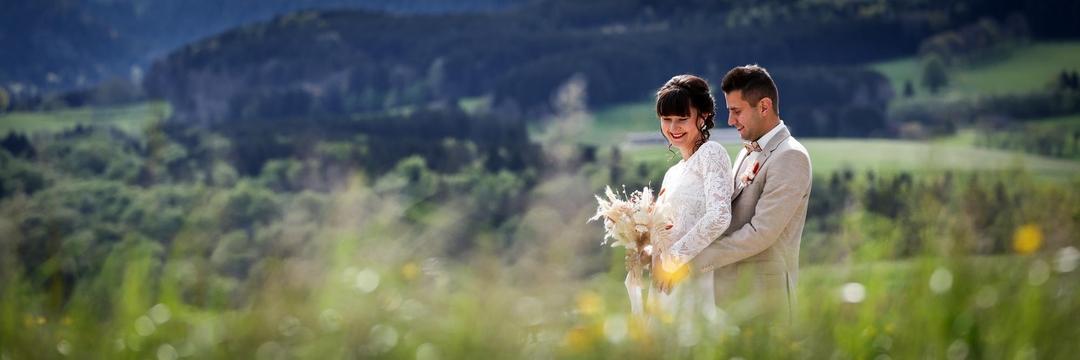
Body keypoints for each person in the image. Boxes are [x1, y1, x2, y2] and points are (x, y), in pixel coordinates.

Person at [681, 64, 812, 323]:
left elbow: (761, 233)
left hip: (765, 300)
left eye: (736, 111)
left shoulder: (790, 156)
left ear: (764, 106)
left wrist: (696, 259)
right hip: (733, 295)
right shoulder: (747, 150)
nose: (730, 121)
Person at [625, 74, 733, 319]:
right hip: (663, 281)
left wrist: (672, 261)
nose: (673, 128)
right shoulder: (673, 173)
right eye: (666, 119)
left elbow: (719, 216)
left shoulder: (711, 154)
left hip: (689, 275)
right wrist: (647, 248)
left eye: (682, 119)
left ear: (703, 116)